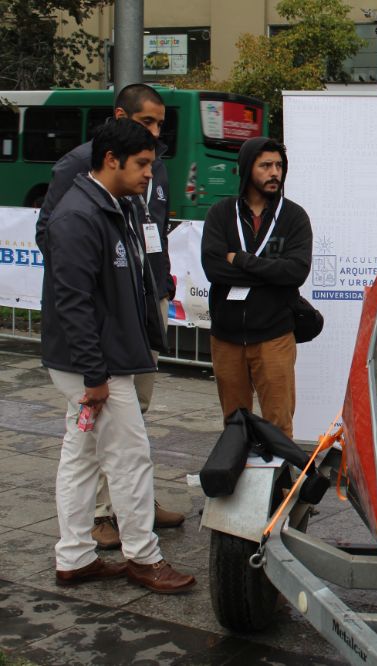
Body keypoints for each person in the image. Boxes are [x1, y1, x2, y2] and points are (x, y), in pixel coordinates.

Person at [41, 119, 194, 593]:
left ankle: (74, 557)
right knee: (129, 458)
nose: (151, 173)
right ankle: (144, 559)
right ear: (111, 161)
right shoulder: (79, 217)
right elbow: (73, 302)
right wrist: (95, 375)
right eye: (143, 164)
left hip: (100, 361)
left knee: (82, 456)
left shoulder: (113, 206)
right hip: (96, 366)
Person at [201, 137, 312, 438]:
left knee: (279, 424)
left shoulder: (294, 217)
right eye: (265, 166)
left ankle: (281, 486)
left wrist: (240, 260)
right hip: (226, 337)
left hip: (274, 334)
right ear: (247, 169)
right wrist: (270, 273)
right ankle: (240, 483)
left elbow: (296, 271)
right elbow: (213, 268)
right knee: (235, 425)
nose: (274, 172)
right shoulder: (221, 214)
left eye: (279, 166)